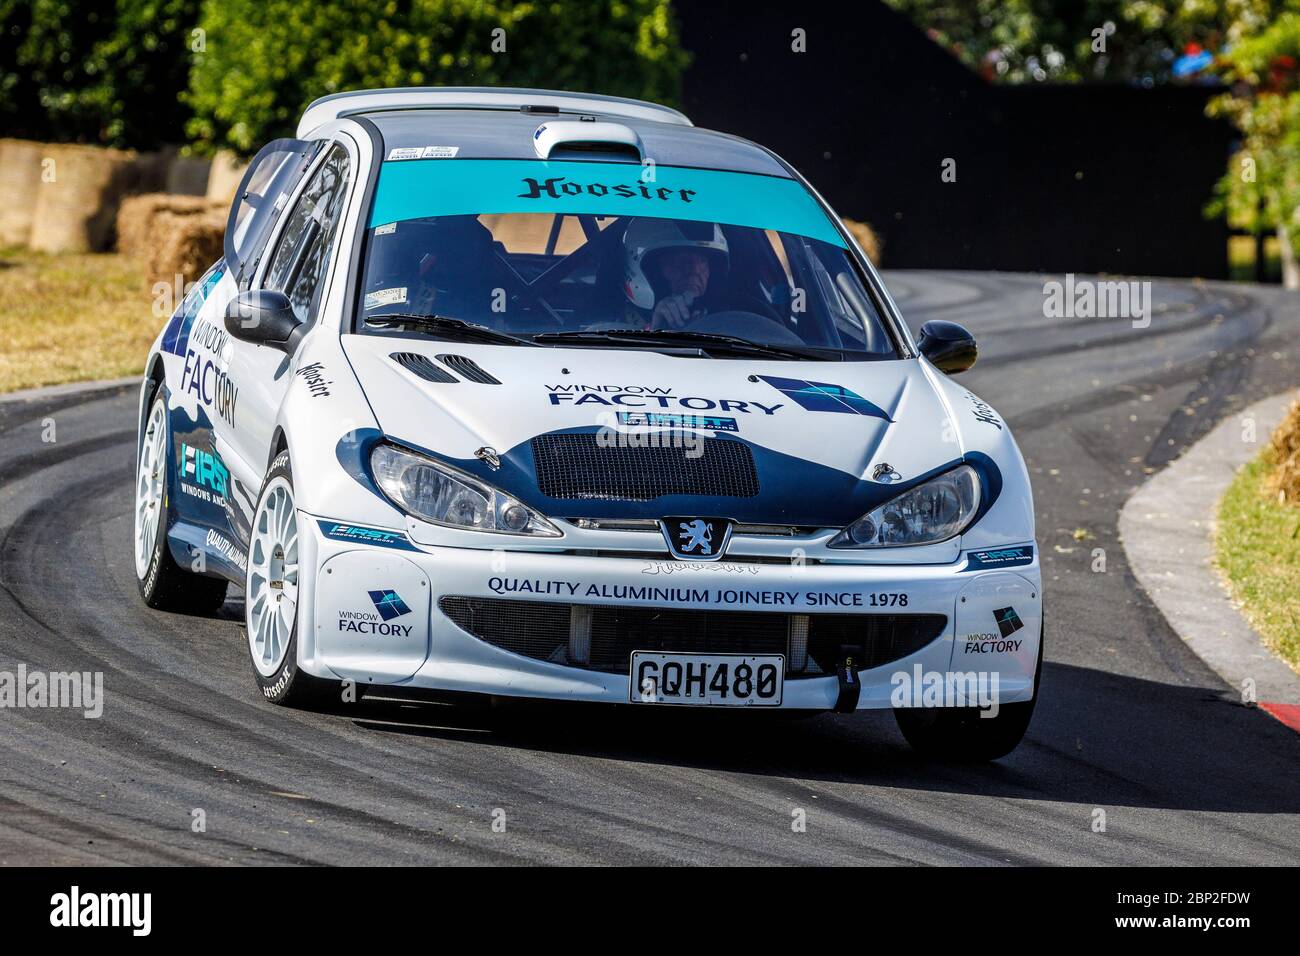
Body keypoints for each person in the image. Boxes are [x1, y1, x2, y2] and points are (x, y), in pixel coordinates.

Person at [622, 218, 729, 329]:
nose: (695, 271)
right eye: (679, 261)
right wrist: (656, 331)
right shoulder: (610, 326)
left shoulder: (732, 326)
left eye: (703, 261)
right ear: (652, 271)